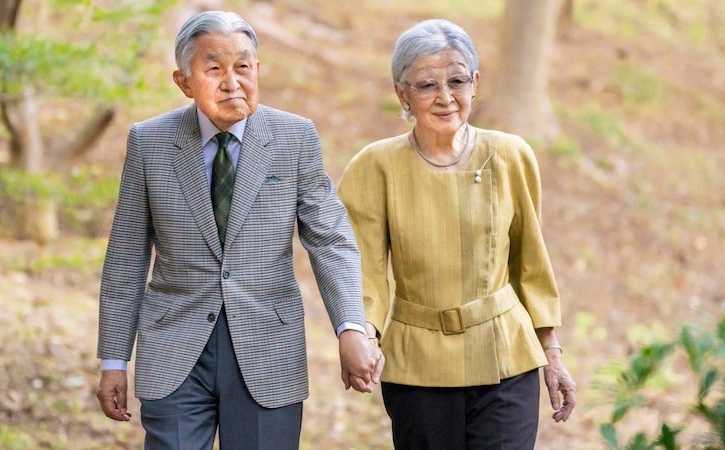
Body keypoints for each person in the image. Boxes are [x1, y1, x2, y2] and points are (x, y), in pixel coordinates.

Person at [95, 10, 383, 450]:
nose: (232, 82)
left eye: (243, 67)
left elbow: (330, 238)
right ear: (184, 81)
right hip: (174, 346)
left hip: (268, 346)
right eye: (214, 69)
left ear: (257, 70)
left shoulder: (294, 138)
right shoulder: (149, 142)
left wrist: (351, 328)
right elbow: (127, 256)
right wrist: (114, 358)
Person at [337, 19, 577, 449]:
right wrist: (361, 335)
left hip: (506, 357)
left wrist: (553, 355)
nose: (445, 97)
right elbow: (364, 271)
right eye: (428, 85)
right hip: (419, 368)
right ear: (402, 93)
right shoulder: (374, 167)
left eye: (457, 80)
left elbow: (531, 264)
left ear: (475, 83)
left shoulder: (510, 155)